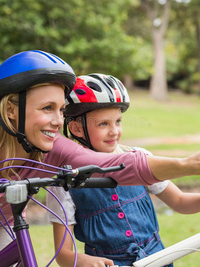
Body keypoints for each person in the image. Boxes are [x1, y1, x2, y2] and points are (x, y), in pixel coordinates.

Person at [1, 51, 200, 264]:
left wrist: (188, 164)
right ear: (11, 110)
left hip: (6, 223)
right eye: (47, 108)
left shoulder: (54, 149)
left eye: (61, 110)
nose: (59, 121)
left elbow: (115, 165)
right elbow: (64, 254)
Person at [47, 73, 200, 267]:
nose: (114, 131)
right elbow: (63, 254)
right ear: (77, 129)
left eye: (118, 121)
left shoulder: (141, 159)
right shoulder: (66, 182)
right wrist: (85, 261)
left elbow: (180, 202)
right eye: (103, 124)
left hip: (158, 261)